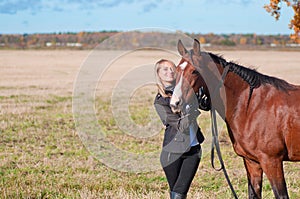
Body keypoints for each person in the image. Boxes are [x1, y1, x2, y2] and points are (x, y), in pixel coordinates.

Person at [154, 59, 206, 199]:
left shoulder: (186, 92)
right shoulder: (160, 101)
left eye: (172, 68)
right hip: (172, 154)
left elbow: (205, 106)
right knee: (177, 194)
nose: (170, 71)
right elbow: (181, 126)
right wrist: (193, 110)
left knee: (179, 193)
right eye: (165, 69)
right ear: (159, 74)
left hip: (194, 151)